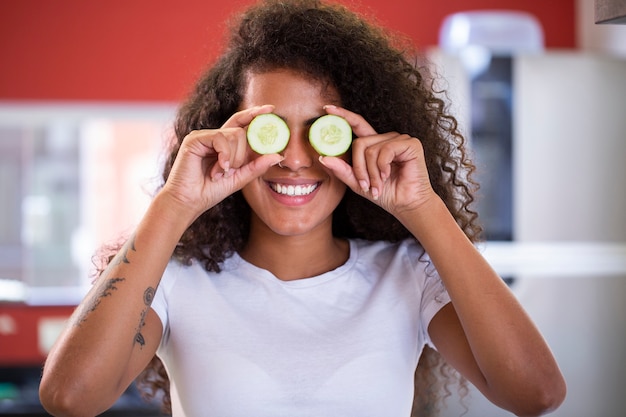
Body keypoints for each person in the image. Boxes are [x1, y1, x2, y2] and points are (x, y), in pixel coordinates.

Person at [39, 0, 566, 416]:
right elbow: (70, 399)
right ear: (228, 136)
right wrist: (174, 204)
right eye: (269, 131)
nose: (293, 158)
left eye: (321, 131)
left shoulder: (407, 275)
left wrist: (423, 208)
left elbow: (536, 394)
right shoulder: (179, 281)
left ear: (362, 137)